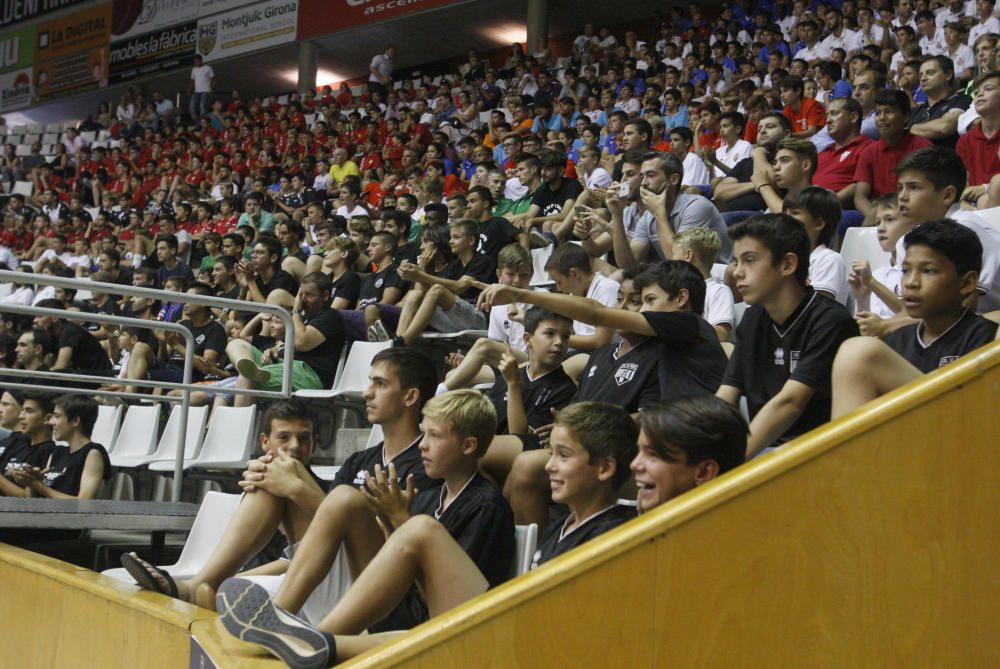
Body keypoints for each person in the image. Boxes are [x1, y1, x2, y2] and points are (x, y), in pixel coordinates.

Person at [216, 389, 515, 668]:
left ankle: (312, 639)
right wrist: (388, 521)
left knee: (416, 526)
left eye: (434, 436)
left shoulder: (485, 506)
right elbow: (399, 564)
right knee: (346, 497)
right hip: (395, 609)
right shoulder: (429, 496)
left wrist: (400, 522)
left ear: (468, 446)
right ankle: (283, 624)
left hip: (446, 630)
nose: (422, 444)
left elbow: (449, 602)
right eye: (423, 433)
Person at [717, 214, 859, 458]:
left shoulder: (831, 321)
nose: (737, 272)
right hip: (764, 446)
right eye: (736, 262)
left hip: (816, 451)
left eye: (749, 260)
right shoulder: (753, 319)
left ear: (787, 265)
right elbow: (726, 395)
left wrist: (731, 464)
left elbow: (790, 403)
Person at [832, 220, 1000, 417]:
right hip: (899, 442)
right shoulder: (894, 342)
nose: (910, 282)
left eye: (928, 271)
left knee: (860, 351)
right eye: (906, 270)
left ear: (967, 282)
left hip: (961, 438)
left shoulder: (986, 339)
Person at [227, 272, 346, 403]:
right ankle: (251, 366)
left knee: (245, 378)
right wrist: (270, 352)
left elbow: (301, 342)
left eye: (309, 295)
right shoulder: (302, 318)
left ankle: (242, 419)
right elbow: (279, 347)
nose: (303, 299)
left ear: (325, 296)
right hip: (282, 365)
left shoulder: (330, 317)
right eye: (301, 295)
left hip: (307, 374)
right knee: (236, 343)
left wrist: (295, 311)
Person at [386, 220, 496, 345]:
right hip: (455, 318)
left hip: (479, 320)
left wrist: (421, 275)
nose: (451, 241)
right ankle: (397, 340)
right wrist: (419, 271)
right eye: (450, 237)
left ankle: (404, 341)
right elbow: (423, 290)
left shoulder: (482, 261)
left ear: (471, 240)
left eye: (456, 237)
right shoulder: (455, 266)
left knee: (437, 290)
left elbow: (459, 287)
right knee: (414, 295)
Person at [8, 394, 110, 499]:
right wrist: (33, 480)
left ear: (75, 421)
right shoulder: (57, 453)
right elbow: (31, 499)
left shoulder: (93, 453)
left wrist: (38, 485)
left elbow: (84, 503)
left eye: (57, 416)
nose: (51, 422)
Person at [853, 89, 933, 217]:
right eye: (878, 113)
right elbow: (860, 197)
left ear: (906, 116)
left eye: (889, 112)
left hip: (914, 212)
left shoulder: (923, 147)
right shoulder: (868, 152)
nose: (882, 118)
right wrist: (876, 218)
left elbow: (927, 191)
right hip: (878, 213)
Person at [848, 194, 910, 332]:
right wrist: (863, 299)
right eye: (877, 222)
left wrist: (872, 283)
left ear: (912, 223)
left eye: (889, 220)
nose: (881, 228)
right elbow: (866, 325)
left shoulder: (913, 273)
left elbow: (912, 315)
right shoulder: (879, 273)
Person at [783, 186, 850, 305]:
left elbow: (816, 308)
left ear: (818, 223)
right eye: (785, 213)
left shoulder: (829, 259)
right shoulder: (782, 259)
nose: (784, 219)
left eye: (794, 213)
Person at [672, 228, 735, 342]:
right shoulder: (673, 289)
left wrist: (676, 327)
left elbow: (721, 335)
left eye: (674, 254)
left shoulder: (718, 291)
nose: (671, 260)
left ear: (688, 255)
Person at [32, 299, 111, 374]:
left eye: (40, 316)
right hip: (83, 376)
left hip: (99, 377)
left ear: (54, 318)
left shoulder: (69, 331)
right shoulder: (52, 335)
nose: (34, 320)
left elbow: (60, 368)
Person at [0, 392, 56, 497]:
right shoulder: (17, 445)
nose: (21, 416)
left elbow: (27, 497)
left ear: (47, 419)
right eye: (22, 411)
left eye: (29, 411)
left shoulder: (49, 451)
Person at [189, 55, 215, 123]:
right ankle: (199, 124)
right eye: (194, 62)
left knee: (202, 107)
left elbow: (213, 78)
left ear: (201, 60)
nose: (196, 63)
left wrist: (212, 88)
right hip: (196, 92)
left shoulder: (208, 68)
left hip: (206, 91)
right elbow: (192, 80)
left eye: (197, 62)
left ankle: (204, 123)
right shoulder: (194, 69)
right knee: (192, 109)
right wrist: (189, 89)